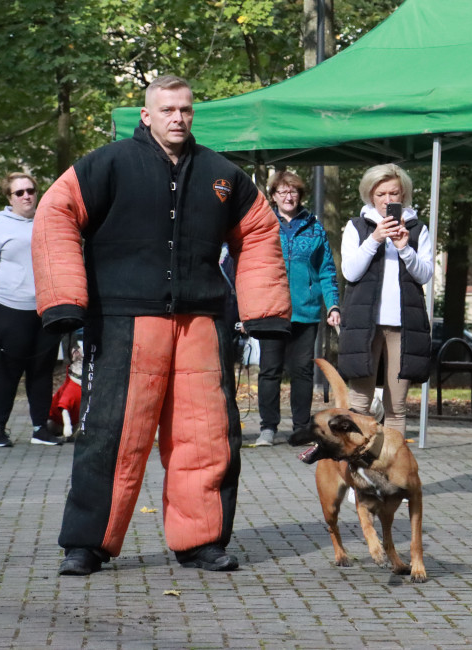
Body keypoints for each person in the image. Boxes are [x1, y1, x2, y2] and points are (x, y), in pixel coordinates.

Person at [32, 74, 290, 576]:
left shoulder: (223, 174)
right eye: (168, 109)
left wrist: (265, 311)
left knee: (207, 437)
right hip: (126, 322)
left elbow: (259, 233)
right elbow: (55, 213)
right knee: (111, 435)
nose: (178, 118)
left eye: (186, 110)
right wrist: (64, 301)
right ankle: (86, 545)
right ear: (145, 115)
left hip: (201, 324)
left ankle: (202, 542)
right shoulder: (106, 165)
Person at [338, 163, 433, 438]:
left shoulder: (417, 229)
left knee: (397, 406)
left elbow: (424, 274)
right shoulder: (356, 227)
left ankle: (393, 473)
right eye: (381, 194)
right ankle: (355, 472)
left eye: (394, 193)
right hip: (364, 325)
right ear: (370, 195)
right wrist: (375, 239)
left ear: (404, 196)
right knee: (359, 403)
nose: (388, 200)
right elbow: (350, 272)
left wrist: (405, 249)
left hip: (403, 325)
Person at [0, 171, 62, 448]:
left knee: (42, 370)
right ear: (9, 197)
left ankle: (40, 429)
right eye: (19, 192)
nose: (26, 196)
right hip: (9, 307)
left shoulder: (48, 222)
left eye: (31, 190)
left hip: (45, 308)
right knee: (8, 370)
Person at [254, 171, 341, 447]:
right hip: (271, 309)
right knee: (269, 370)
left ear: (299, 195)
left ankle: (301, 427)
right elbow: (251, 267)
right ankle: (268, 427)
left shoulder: (315, 228)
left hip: (305, 311)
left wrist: (332, 304)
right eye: (282, 192)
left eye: (292, 191)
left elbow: (326, 270)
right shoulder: (263, 224)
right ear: (273, 196)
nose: (288, 196)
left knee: (302, 371)